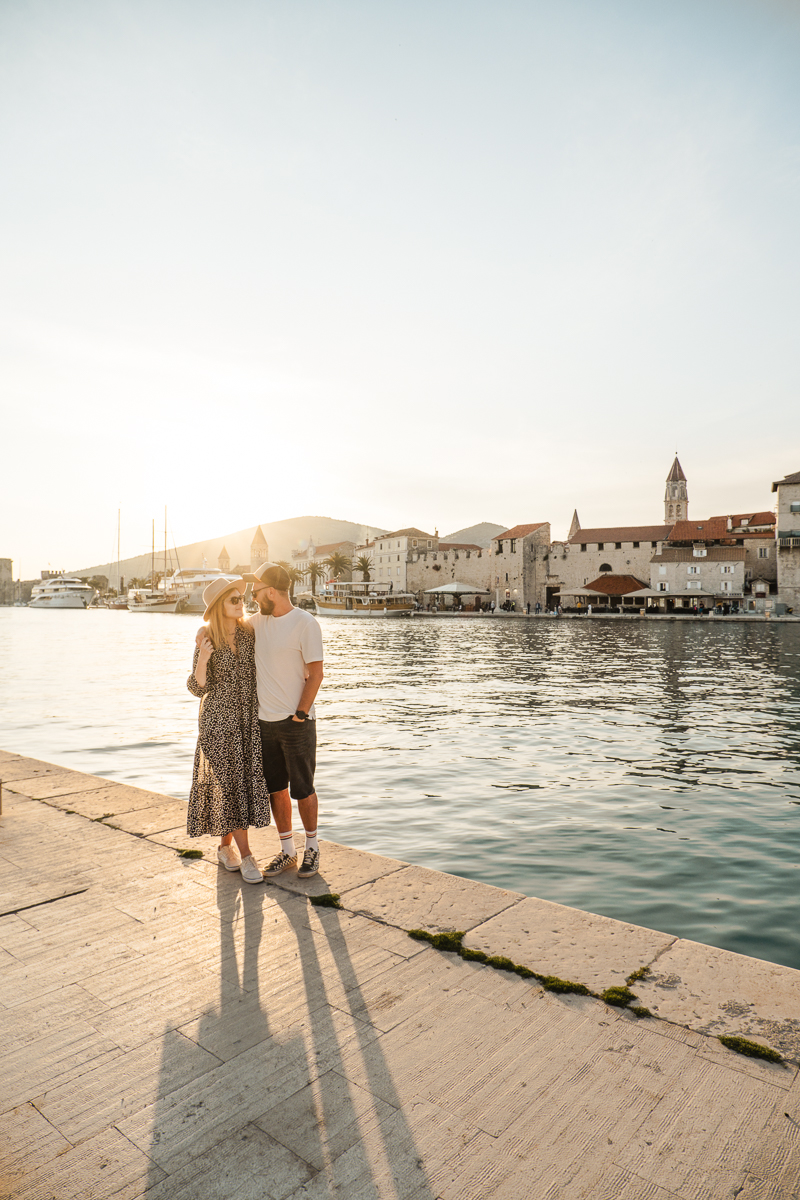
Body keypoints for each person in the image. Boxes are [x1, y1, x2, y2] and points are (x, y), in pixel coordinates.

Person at [243, 563, 325, 880]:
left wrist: (300, 715)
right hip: (265, 724)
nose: (252, 595)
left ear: (272, 592)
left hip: (297, 722)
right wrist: (201, 632)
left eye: (257, 591)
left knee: (303, 790)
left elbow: (316, 674)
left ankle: (313, 848)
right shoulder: (257, 623)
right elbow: (223, 625)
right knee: (276, 790)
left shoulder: (306, 624)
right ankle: (288, 851)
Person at [187, 577, 271, 884]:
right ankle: (247, 856)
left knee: (232, 788)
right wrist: (204, 657)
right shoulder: (207, 638)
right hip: (217, 722)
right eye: (233, 599)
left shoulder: (250, 631)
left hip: (247, 720)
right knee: (231, 787)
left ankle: (224, 848)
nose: (240, 602)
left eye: (240, 598)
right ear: (218, 607)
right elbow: (196, 687)